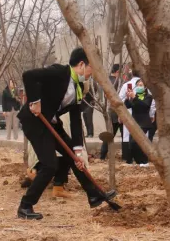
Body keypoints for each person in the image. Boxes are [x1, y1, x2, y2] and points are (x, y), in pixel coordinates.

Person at [17, 47, 114, 220]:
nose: (93, 73)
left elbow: (76, 119)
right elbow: (28, 75)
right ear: (82, 64)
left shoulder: (77, 87)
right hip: (34, 122)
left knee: (75, 158)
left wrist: (77, 149)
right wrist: (35, 101)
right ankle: (25, 206)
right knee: (49, 165)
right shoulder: (59, 73)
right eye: (93, 67)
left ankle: (94, 195)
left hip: (51, 123)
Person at [123, 78, 155, 166]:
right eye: (138, 85)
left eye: (141, 85)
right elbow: (127, 105)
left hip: (144, 123)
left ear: (145, 87)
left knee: (136, 142)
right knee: (131, 144)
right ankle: (137, 161)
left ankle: (144, 161)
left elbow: (144, 106)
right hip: (134, 122)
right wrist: (128, 97)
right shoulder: (135, 96)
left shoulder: (148, 97)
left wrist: (134, 97)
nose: (139, 87)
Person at [99, 64, 126, 161]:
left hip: (109, 111)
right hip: (118, 112)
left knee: (109, 136)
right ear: (118, 72)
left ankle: (102, 156)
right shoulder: (119, 82)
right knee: (124, 136)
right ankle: (126, 157)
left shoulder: (106, 81)